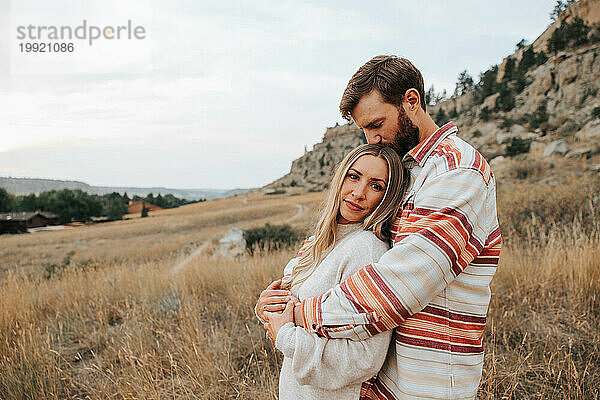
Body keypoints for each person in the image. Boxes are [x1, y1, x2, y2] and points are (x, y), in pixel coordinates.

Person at [266, 56, 502, 399]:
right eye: (364, 129)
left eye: (377, 123)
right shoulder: (406, 171)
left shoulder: (457, 172)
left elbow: (400, 283)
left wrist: (297, 313)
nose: (372, 138)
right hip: (381, 379)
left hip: (429, 382)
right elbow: (346, 238)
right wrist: (278, 299)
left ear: (411, 101)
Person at [255, 143, 410, 399]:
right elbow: (288, 308)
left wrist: (286, 337)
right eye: (354, 176)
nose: (359, 192)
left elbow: (365, 359)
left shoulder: (366, 249)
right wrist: (266, 308)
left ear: (387, 197)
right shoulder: (322, 241)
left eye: (376, 186)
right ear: (341, 178)